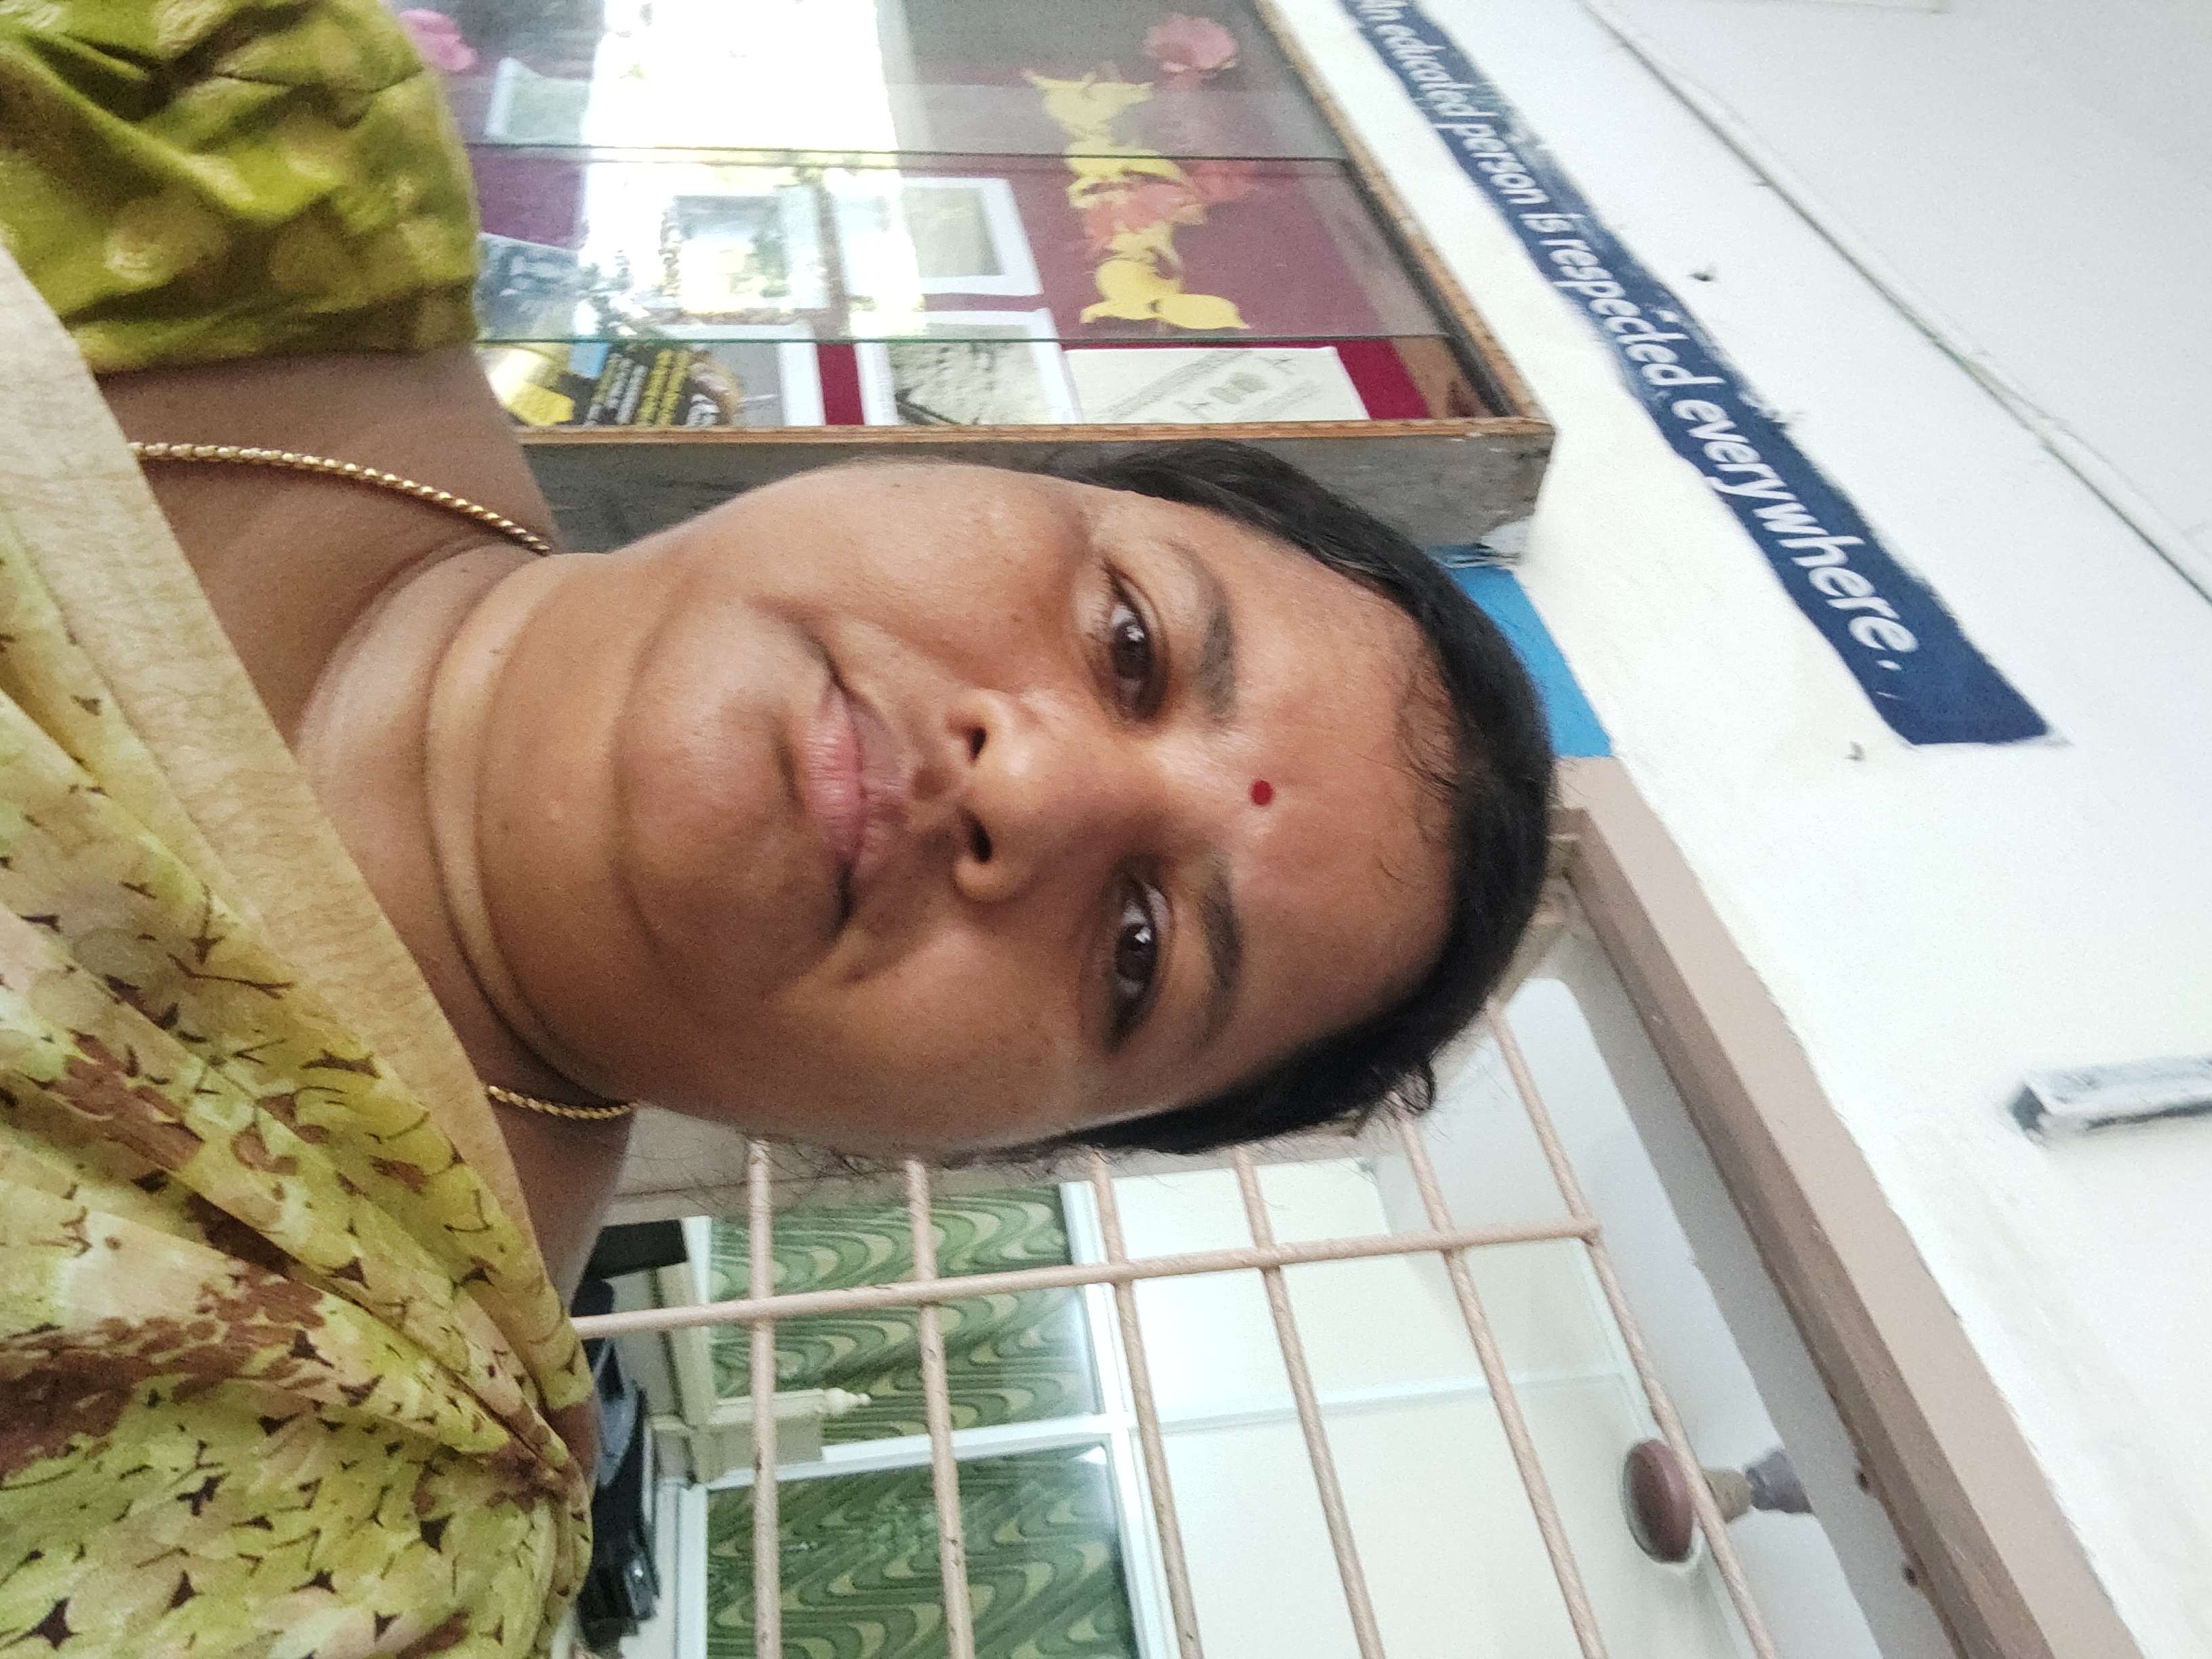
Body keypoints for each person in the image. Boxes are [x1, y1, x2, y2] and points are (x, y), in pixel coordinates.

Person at [0, 1, 1553, 1652]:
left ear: (979, 1158)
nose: (1031, 791)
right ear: (994, 464)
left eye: (1138, 950)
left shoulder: (353, 1520)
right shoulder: (242, 122)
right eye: (1130, 642)